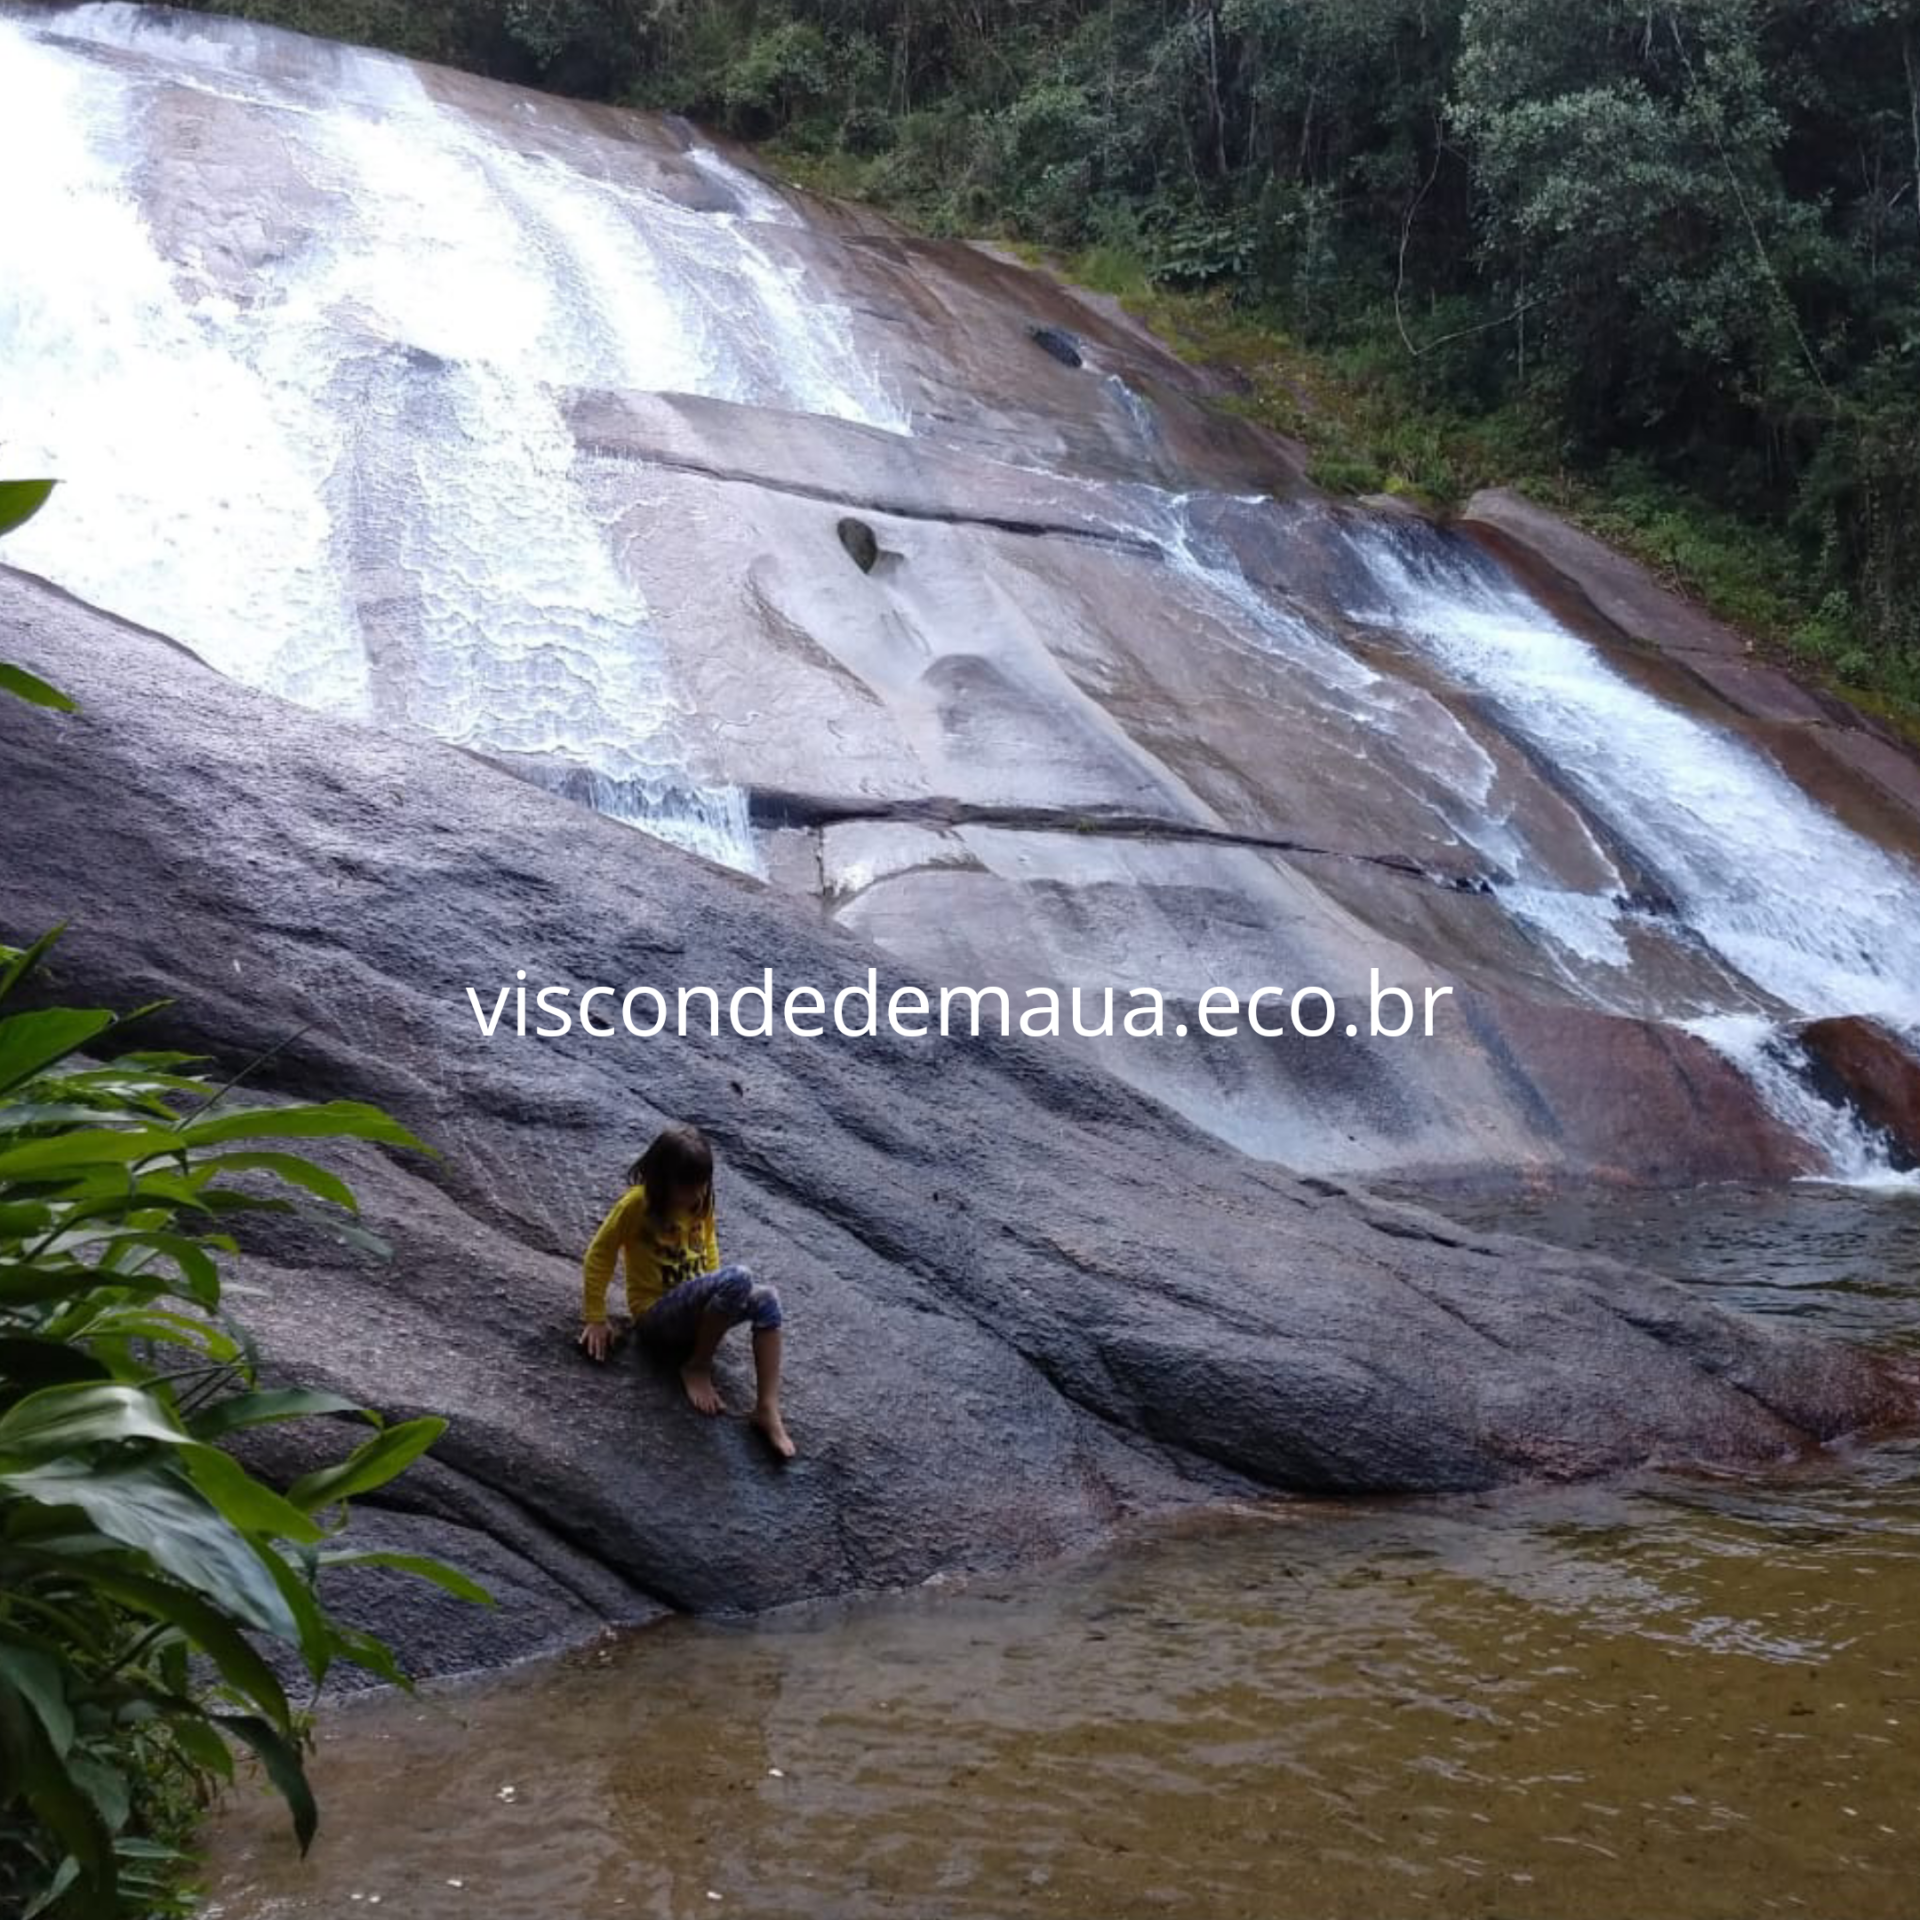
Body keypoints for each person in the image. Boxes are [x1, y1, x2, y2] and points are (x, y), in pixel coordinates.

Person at [576, 1123, 794, 1459]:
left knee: (767, 1299)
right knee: (739, 1276)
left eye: (702, 1184)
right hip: (657, 1315)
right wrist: (595, 1317)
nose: (697, 1193)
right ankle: (697, 1365)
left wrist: (718, 1302)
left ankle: (767, 1408)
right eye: (688, 1186)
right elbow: (600, 1254)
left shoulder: (700, 1202)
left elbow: (708, 1248)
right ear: (662, 1179)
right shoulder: (636, 1205)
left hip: (696, 1311)